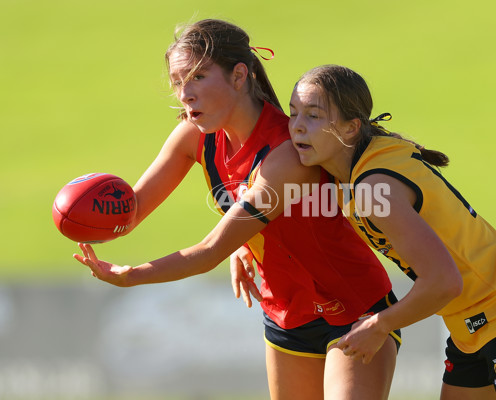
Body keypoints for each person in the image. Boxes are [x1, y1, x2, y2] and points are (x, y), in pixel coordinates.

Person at [73, 20, 401, 400]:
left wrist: (131, 276)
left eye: (197, 77)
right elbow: (127, 214)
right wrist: (81, 206)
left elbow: (210, 251)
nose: (185, 94)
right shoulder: (193, 137)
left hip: (356, 308)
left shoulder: (287, 154)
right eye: (178, 82)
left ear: (239, 75)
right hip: (286, 314)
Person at [281, 64, 496, 399]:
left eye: (313, 115)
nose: (297, 127)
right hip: (469, 326)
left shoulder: (372, 187)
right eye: (292, 113)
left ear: (352, 128)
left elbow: (443, 281)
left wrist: (381, 325)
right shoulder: (354, 174)